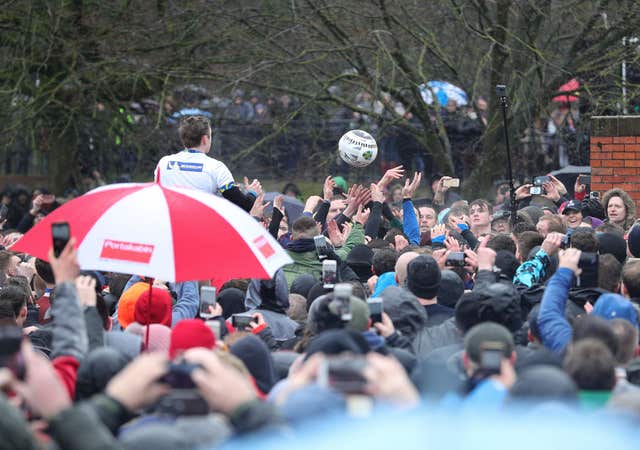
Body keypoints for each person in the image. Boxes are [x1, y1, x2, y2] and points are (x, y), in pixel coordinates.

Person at [154, 115, 259, 212]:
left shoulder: (163, 163)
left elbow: (157, 194)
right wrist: (252, 192)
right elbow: (244, 205)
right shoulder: (217, 167)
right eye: (210, 136)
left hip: (169, 226)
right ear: (204, 139)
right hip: (201, 226)